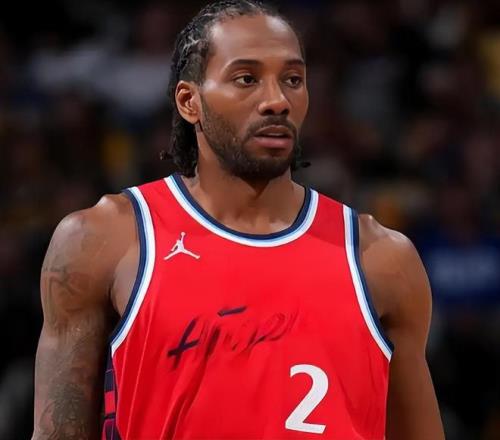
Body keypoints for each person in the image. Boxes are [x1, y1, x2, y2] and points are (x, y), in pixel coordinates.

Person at [32, 1, 445, 439]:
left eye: (293, 79)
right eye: (246, 79)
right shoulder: (106, 239)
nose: (277, 100)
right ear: (189, 102)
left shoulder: (380, 257)